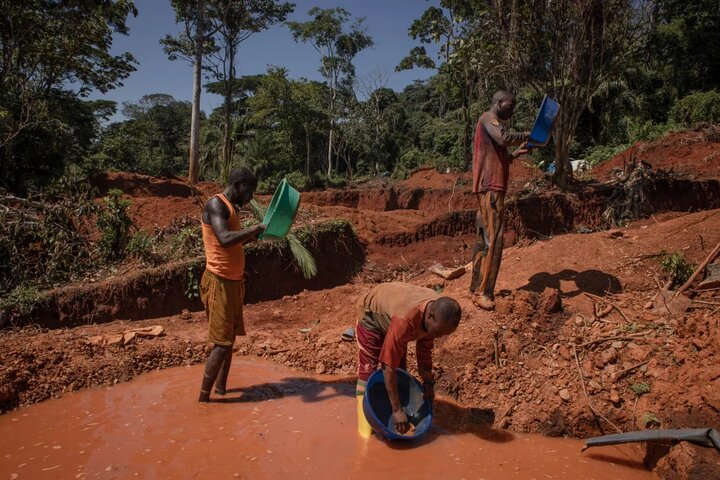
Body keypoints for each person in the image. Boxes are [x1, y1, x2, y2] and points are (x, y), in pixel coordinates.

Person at [355, 282, 462, 437]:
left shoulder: (435, 317)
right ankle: (364, 437)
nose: (439, 337)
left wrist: (428, 382)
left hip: (395, 316)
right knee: (368, 371)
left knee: (400, 373)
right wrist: (397, 410)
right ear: (430, 316)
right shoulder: (405, 321)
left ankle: (391, 412)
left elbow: (424, 352)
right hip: (372, 316)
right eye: (438, 332)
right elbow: (388, 366)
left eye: (444, 334)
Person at [198, 167, 265, 402]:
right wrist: (255, 229)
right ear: (237, 185)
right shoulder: (216, 205)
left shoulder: (230, 209)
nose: (251, 196)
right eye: (249, 190)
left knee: (229, 341)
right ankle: (203, 401)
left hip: (233, 282)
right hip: (219, 282)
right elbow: (225, 240)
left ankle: (221, 390)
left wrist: (251, 236)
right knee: (222, 343)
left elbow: (233, 243)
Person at [470, 90, 530, 310]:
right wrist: (528, 135)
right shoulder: (489, 118)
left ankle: (475, 286)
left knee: (483, 239)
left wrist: (517, 153)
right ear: (498, 102)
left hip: (488, 189)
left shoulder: (489, 123)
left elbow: (498, 152)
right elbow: (503, 138)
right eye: (510, 105)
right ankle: (482, 292)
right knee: (493, 241)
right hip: (491, 189)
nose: (512, 110)